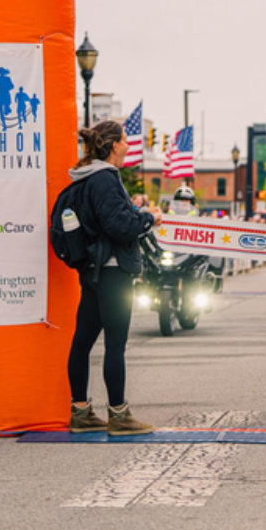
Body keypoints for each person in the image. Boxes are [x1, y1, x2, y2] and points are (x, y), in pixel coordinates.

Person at [66, 120, 163, 436]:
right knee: (115, 345)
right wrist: (148, 218)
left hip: (92, 270)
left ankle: (80, 411)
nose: (128, 145)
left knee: (82, 343)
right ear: (113, 146)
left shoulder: (85, 177)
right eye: (125, 140)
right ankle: (119, 415)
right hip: (112, 270)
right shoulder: (106, 178)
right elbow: (119, 226)